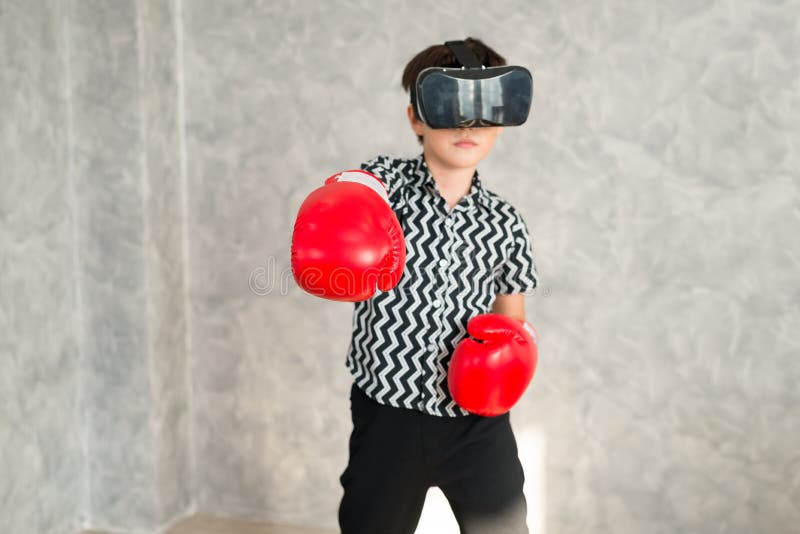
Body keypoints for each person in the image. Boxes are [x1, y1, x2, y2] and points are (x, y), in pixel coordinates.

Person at [292, 37, 539, 534]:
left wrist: (502, 362)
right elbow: (354, 187)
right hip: (389, 412)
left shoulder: (506, 221)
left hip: (475, 422)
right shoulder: (386, 184)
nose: (467, 126)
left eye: (483, 111)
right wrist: (348, 206)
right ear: (416, 119)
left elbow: (513, 317)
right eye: (450, 107)